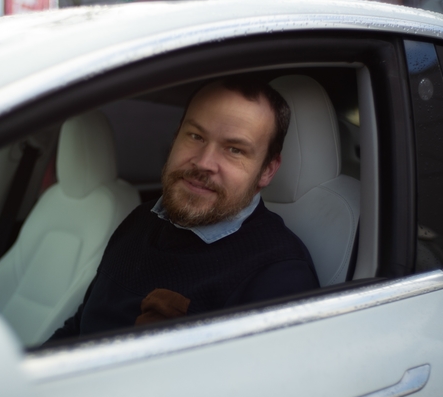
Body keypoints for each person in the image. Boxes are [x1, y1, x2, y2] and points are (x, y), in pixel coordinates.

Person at [48, 76, 319, 341]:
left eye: (234, 150)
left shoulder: (278, 276)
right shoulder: (140, 220)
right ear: (176, 135)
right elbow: (80, 327)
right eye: (195, 136)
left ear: (267, 170)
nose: (204, 162)